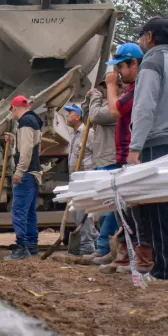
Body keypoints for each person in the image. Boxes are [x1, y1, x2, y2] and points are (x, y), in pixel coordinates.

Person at [129, 17, 168, 284]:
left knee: (158, 208)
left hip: (156, 143)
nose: (141, 40)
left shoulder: (152, 63)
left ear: (151, 37)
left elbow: (144, 107)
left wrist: (135, 147)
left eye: (142, 35)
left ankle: (164, 270)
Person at [99, 43, 154, 275]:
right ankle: (124, 256)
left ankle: (139, 258)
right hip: (125, 154)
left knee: (134, 210)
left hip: (132, 154)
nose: (118, 72)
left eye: (121, 66)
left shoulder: (139, 88)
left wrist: (111, 86)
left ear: (134, 64)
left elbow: (115, 110)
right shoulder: (133, 87)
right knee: (126, 209)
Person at [84, 78, 119, 262]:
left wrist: (94, 99)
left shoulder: (116, 106)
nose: (105, 90)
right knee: (104, 208)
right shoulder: (103, 104)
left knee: (111, 209)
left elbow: (96, 116)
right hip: (102, 160)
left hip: (112, 160)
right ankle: (105, 248)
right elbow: (87, 120)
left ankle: (104, 247)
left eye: (108, 86)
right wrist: (88, 100)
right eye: (103, 87)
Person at [5, 96, 43, 260]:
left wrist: (19, 172)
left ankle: (22, 247)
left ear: (14, 107)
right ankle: (31, 245)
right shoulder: (34, 121)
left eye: (11, 110)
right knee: (29, 211)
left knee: (19, 210)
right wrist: (14, 141)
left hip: (26, 173)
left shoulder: (26, 122)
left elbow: (27, 151)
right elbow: (29, 146)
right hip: (33, 173)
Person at [65, 103, 97, 256]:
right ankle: (96, 238)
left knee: (82, 213)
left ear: (77, 116)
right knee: (77, 213)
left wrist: (89, 175)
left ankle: (87, 245)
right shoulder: (75, 135)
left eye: (69, 113)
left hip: (85, 179)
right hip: (76, 180)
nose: (67, 115)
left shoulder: (88, 134)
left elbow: (95, 154)